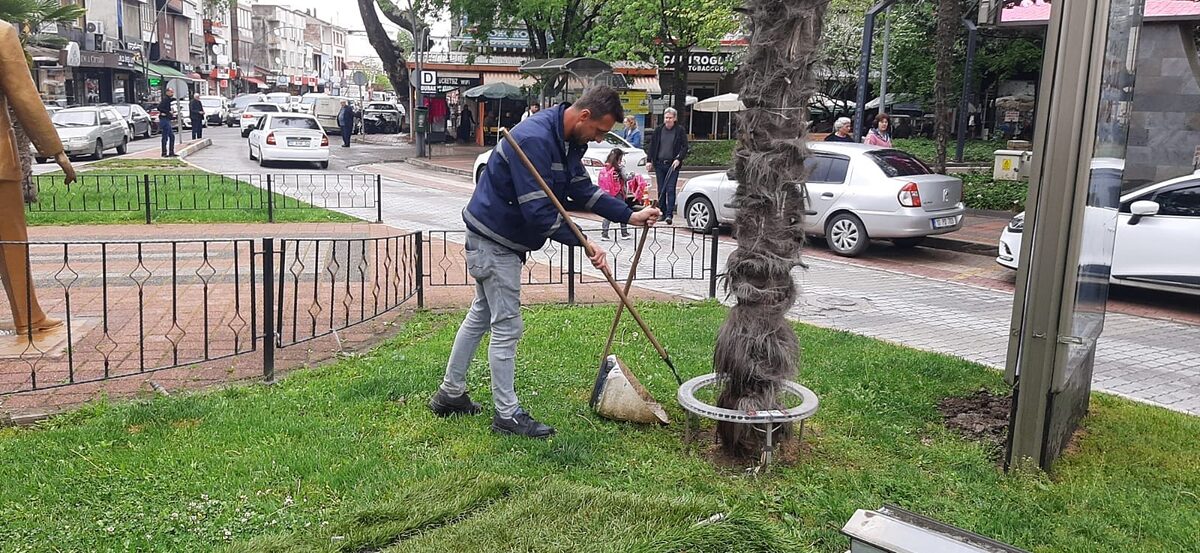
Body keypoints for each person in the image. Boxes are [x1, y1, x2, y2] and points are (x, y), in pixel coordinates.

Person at [429, 85, 662, 439]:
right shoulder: (536, 139)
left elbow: (584, 191)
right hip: (494, 242)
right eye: (599, 131)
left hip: (495, 240)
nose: (598, 139)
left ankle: (450, 394)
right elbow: (538, 212)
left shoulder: (569, 141)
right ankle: (506, 416)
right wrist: (584, 242)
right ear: (584, 116)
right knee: (506, 326)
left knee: (481, 316)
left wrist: (629, 216)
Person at [646, 107, 688, 225]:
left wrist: (679, 158)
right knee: (661, 189)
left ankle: (669, 215)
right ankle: (663, 213)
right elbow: (653, 146)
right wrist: (649, 160)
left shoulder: (679, 130)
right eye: (666, 118)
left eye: (670, 118)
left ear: (674, 118)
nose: (667, 120)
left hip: (672, 165)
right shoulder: (659, 130)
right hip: (659, 164)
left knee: (670, 189)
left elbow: (684, 147)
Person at [597, 148, 648, 240]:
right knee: (622, 210)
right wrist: (633, 174)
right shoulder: (619, 168)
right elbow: (626, 178)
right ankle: (624, 233)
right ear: (619, 158)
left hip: (607, 193)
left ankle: (604, 233)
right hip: (618, 193)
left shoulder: (606, 167)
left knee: (608, 212)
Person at [157, 89, 176, 157]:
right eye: (171, 92)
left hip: (167, 119)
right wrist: (166, 112)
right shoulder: (165, 100)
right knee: (165, 136)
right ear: (167, 92)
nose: (172, 93)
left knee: (172, 136)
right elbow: (159, 107)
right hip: (164, 120)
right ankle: (164, 152)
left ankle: (171, 152)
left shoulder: (168, 100)